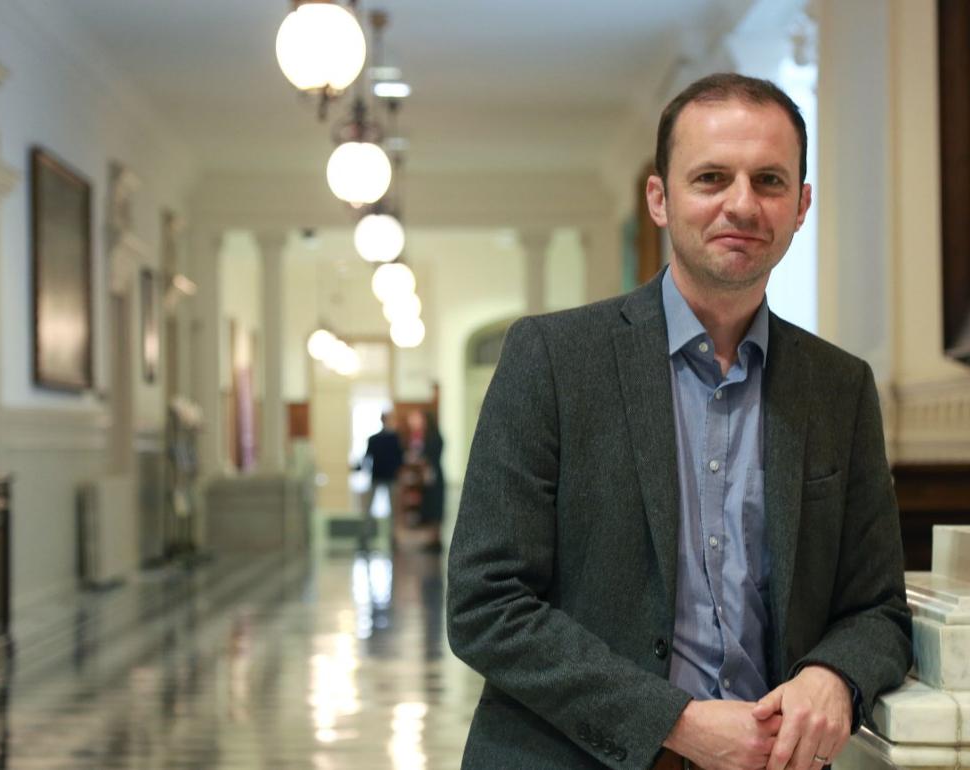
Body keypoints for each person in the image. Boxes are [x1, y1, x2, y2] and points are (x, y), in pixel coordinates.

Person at [447, 73, 912, 770]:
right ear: (660, 199)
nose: (742, 204)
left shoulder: (839, 386)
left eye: (770, 181)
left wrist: (833, 675)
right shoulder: (551, 358)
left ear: (802, 205)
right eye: (711, 177)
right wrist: (675, 723)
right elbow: (485, 602)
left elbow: (877, 608)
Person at [358, 412, 402, 549]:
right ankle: (391, 537)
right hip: (388, 477)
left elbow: (366, 459)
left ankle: (366, 536)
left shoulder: (374, 439)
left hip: (378, 476)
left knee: (369, 509)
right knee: (391, 510)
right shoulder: (394, 438)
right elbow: (400, 459)